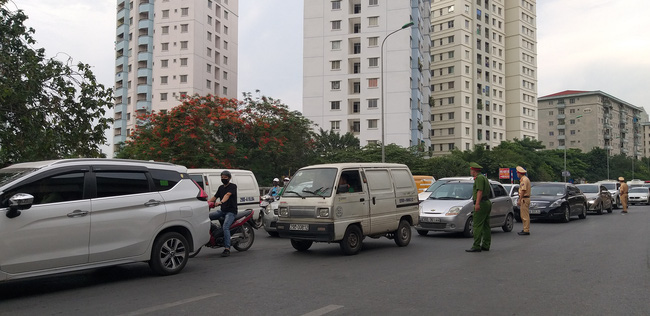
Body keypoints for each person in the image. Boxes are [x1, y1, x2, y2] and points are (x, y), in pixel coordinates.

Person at [207, 170, 238, 257]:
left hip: (231, 212)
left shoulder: (233, 186)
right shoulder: (221, 187)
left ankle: (227, 248)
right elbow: (214, 197)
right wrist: (206, 203)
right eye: (222, 177)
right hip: (222, 211)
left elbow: (227, 195)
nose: (223, 179)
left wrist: (221, 202)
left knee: (225, 227)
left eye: (225, 177)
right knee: (206, 218)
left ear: (229, 178)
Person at [466, 162, 492, 252]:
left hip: (481, 203)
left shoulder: (479, 178)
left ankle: (476, 245)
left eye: (471, 170)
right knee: (485, 225)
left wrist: (477, 204)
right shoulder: (483, 177)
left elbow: (479, 191)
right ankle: (486, 244)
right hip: (487, 202)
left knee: (477, 225)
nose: (470, 171)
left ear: (474, 171)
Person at [516, 166, 531, 235]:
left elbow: (523, 190)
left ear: (519, 173)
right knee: (524, 215)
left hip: (524, 199)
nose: (517, 174)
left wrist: (520, 199)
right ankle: (525, 228)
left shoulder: (524, 180)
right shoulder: (525, 179)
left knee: (524, 216)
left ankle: (526, 230)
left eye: (517, 173)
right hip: (525, 198)